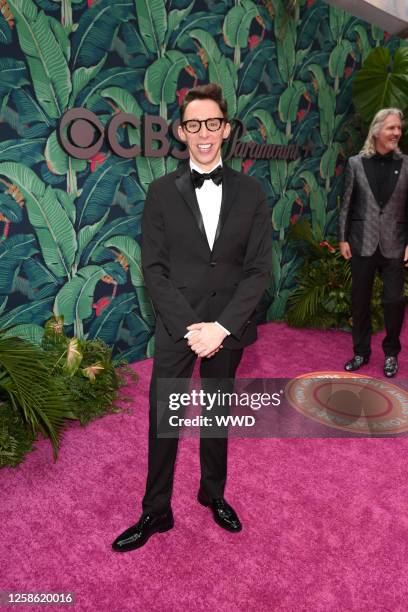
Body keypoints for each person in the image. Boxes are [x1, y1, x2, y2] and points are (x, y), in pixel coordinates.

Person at [112, 83, 272, 552]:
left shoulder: (252, 192)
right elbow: (154, 270)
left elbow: (259, 268)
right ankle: (155, 510)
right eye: (194, 125)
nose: (204, 134)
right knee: (165, 420)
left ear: (225, 128)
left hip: (229, 325)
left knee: (218, 415)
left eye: (213, 123)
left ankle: (213, 493)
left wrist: (221, 328)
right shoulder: (161, 192)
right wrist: (193, 329)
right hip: (177, 326)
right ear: (182, 132)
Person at [339, 108, 408, 378]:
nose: (397, 132)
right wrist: (343, 238)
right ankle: (361, 352)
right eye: (391, 128)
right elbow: (347, 204)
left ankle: (391, 353)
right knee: (360, 302)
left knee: (394, 301)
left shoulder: (406, 165)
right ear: (377, 130)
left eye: (399, 128)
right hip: (362, 243)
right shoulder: (356, 163)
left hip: (395, 244)